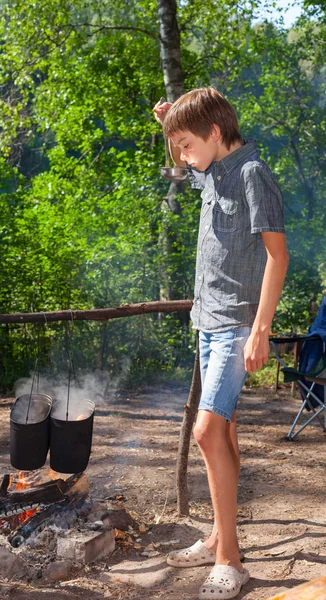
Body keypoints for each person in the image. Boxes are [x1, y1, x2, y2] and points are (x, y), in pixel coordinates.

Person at [153, 88, 289, 600]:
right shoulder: (210, 172)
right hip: (207, 323)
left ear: (214, 133)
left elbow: (278, 256)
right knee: (224, 434)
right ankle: (217, 537)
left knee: (207, 433)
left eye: (187, 145)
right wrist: (172, 124)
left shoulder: (254, 175)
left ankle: (230, 561)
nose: (183, 157)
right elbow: (189, 160)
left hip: (237, 325)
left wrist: (260, 329)